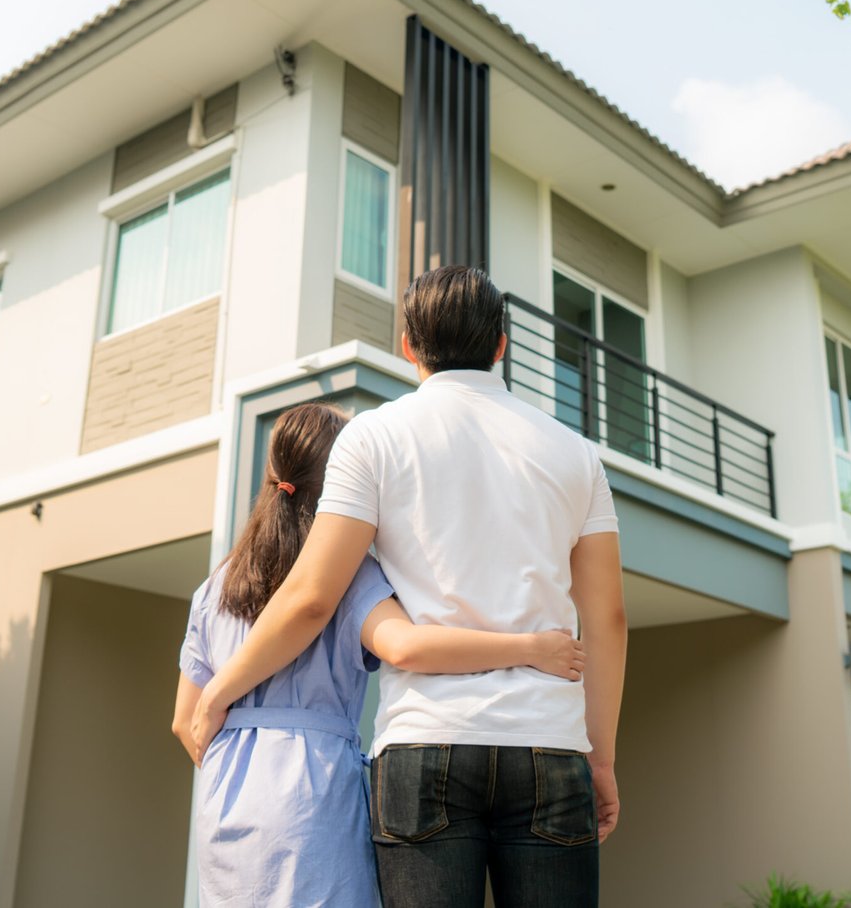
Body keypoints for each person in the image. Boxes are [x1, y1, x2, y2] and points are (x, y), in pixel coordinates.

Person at [187, 265, 628, 908]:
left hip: (426, 745)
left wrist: (221, 690)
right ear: (502, 344)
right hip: (549, 742)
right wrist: (601, 759)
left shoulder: (374, 436)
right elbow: (608, 618)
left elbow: (312, 596)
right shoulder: (576, 453)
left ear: (407, 346)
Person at [171, 401, 587, 908]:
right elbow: (406, 646)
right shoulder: (346, 574)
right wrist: (531, 648)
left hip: (227, 790)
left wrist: (238, 757)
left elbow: (183, 721)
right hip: (313, 791)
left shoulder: (215, 586)